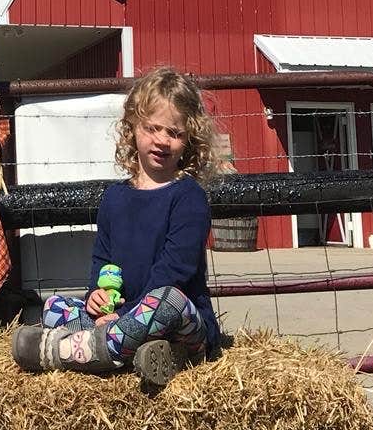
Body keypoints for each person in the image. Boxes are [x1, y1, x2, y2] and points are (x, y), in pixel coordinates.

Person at [12, 67, 228, 388]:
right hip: (120, 317)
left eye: (174, 133)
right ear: (132, 128)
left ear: (189, 139)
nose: (161, 140)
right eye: (152, 128)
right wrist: (95, 298)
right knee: (54, 307)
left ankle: (68, 352)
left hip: (178, 319)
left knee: (167, 300)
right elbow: (103, 263)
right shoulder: (114, 198)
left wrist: (126, 314)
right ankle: (141, 350)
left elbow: (173, 271)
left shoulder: (188, 197)